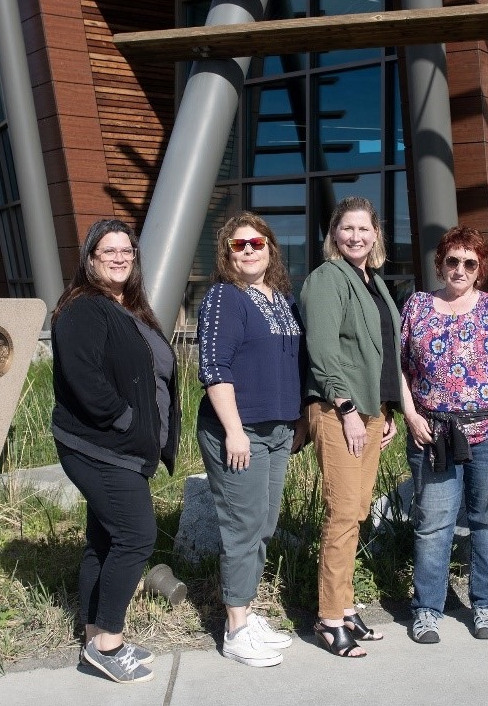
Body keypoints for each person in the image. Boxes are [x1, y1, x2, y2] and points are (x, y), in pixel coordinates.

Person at [51, 219, 181, 684]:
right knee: (137, 536)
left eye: (127, 250)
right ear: (90, 259)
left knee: (104, 540)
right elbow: (85, 381)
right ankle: (109, 643)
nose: (120, 257)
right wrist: (126, 420)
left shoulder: (129, 308)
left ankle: (91, 635)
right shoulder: (84, 308)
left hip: (122, 448)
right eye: (109, 251)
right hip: (101, 447)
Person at [399, 226, 488, 644]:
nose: (460, 269)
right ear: (440, 264)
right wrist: (409, 414)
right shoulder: (418, 306)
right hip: (433, 433)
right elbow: (400, 368)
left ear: (480, 269)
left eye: (469, 263)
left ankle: (486, 607)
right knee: (433, 525)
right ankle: (427, 610)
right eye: (452, 261)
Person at [196, 213, 305, 667]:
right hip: (239, 432)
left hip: (278, 431)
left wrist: (299, 422)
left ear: (270, 248)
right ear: (226, 254)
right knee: (242, 528)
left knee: (264, 523)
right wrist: (235, 430)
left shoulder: (282, 299)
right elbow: (214, 369)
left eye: (256, 243)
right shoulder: (225, 298)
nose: (248, 250)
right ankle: (235, 627)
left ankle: (247, 612)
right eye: (237, 246)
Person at [301, 196, 400, 658]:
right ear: (333, 236)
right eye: (347, 229)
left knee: (358, 512)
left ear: (376, 234)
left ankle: (343, 604)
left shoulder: (374, 282)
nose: (356, 237)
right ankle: (328, 618)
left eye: (364, 229)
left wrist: (387, 411)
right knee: (342, 513)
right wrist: (346, 409)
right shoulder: (327, 279)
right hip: (342, 411)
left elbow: (381, 354)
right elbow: (323, 352)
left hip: (371, 411)